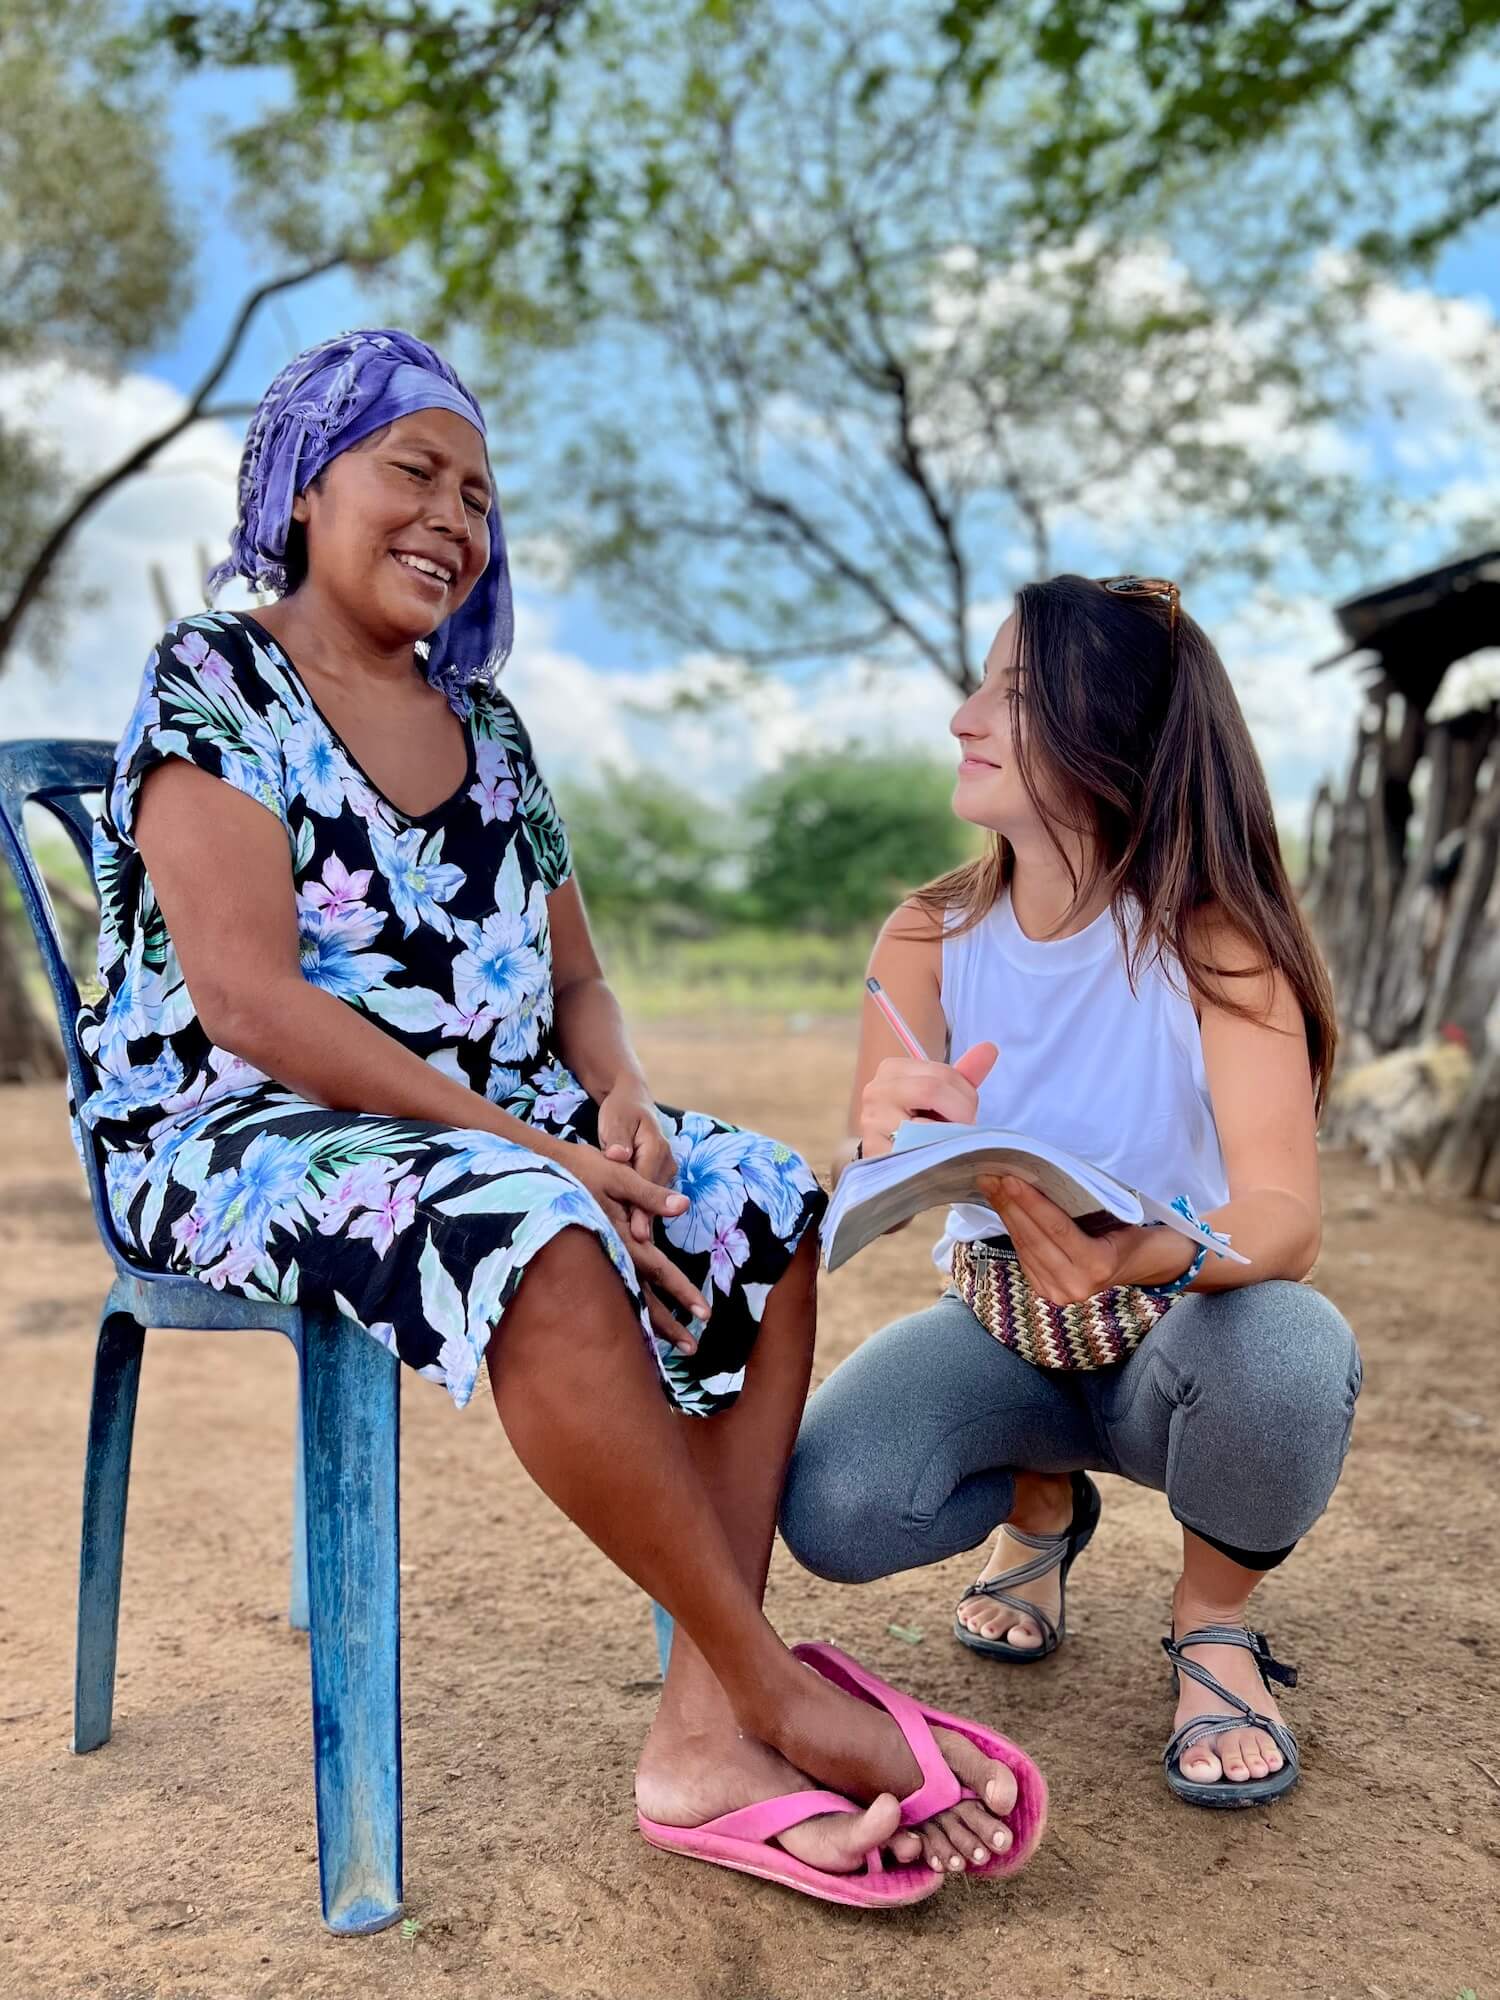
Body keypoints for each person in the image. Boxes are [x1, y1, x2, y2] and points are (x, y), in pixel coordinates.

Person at [72, 328, 1045, 1903]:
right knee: (533, 1222)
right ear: (306, 482)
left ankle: (700, 1732)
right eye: (414, 472)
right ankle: (772, 1690)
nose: (454, 518)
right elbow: (249, 1002)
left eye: (479, 493)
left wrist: (619, 1099)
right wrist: (535, 1152)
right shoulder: (218, 679)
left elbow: (577, 982)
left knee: (756, 1193)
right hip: (229, 1128)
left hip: (502, 1119)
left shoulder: (494, 731)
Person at [780, 574, 1362, 1807]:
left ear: (1118, 735)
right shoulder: (928, 933)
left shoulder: (1215, 941)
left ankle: (1211, 1624)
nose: (964, 715)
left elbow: (1284, 1218)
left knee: (1293, 1350)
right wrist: (884, 1130)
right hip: (999, 1324)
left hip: (1173, 1331)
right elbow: (873, 1153)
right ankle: (1045, 1505)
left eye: (1017, 693)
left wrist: (1134, 1252)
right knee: (835, 1506)